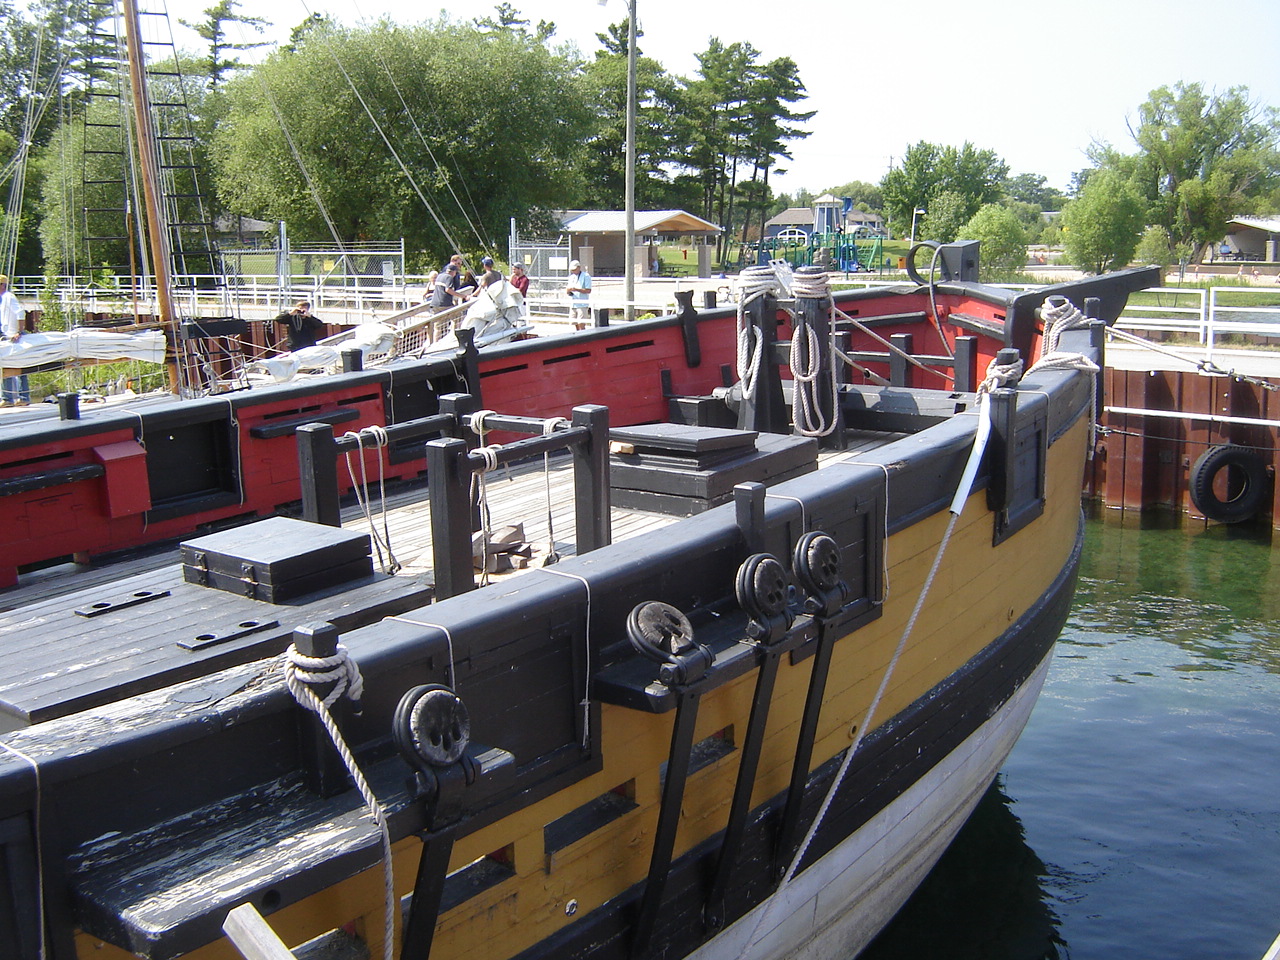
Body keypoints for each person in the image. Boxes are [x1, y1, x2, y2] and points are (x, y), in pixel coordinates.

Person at [0, 276, 27, 405]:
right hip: (7, 336)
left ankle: (23, 397)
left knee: (20, 365)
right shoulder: (2, 299)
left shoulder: (9, 297)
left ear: (2, 285)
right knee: (6, 365)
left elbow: (20, 313)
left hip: (15, 337)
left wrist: (19, 331)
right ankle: (7, 398)